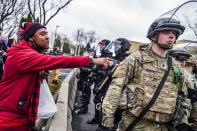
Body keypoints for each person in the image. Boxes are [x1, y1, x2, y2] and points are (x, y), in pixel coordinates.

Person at [0, 22, 110, 131]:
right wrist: (91, 60)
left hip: (21, 117)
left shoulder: (25, 52)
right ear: (31, 38)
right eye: (42, 34)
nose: (48, 37)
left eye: (47, 34)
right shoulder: (23, 55)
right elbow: (57, 60)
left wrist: (37, 75)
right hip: (10, 120)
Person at [101, 17, 193, 131]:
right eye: (166, 32)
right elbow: (115, 89)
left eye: (174, 33)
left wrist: (182, 122)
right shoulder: (136, 59)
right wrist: (107, 122)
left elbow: (183, 97)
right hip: (135, 125)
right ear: (154, 36)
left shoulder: (175, 67)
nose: (171, 36)